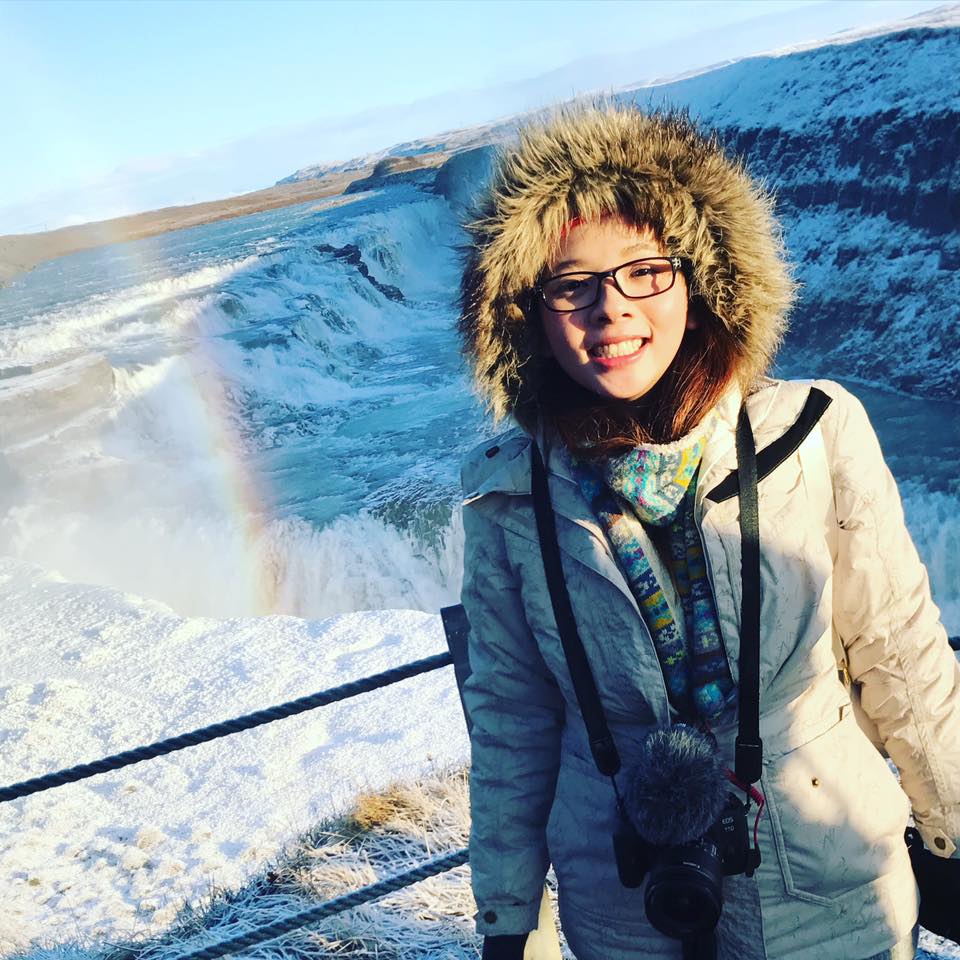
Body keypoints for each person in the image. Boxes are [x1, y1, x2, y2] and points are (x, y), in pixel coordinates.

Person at [456, 106, 960, 960]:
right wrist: (506, 919)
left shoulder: (815, 434)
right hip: (625, 909)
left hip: (825, 894)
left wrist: (950, 829)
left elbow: (899, 653)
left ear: (699, 287)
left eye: (644, 271)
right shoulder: (512, 495)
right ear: (530, 316)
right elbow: (513, 720)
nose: (609, 309)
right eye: (571, 285)